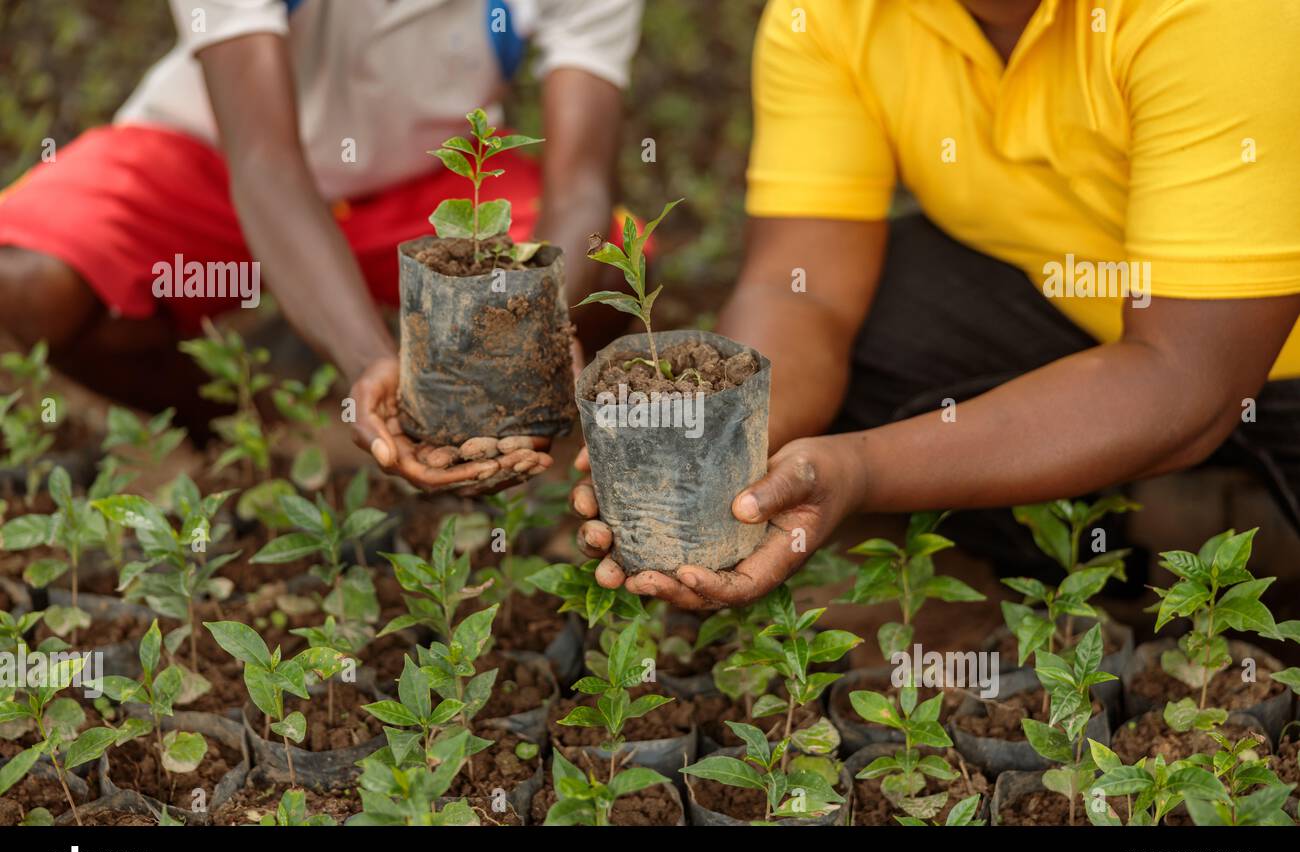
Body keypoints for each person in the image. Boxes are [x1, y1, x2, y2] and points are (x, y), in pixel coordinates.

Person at [573, 0, 1300, 609]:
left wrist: (859, 470)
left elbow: (1189, 377)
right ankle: (1105, 584)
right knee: (880, 319)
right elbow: (804, 289)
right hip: (1089, 308)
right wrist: (725, 452)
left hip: (1249, 354)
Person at [0, 0, 643, 493]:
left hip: (424, 178)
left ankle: (511, 445)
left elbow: (580, 185)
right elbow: (265, 163)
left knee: (613, 258)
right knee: (26, 280)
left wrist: (532, 329)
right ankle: (245, 427)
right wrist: (369, 358)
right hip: (217, 162)